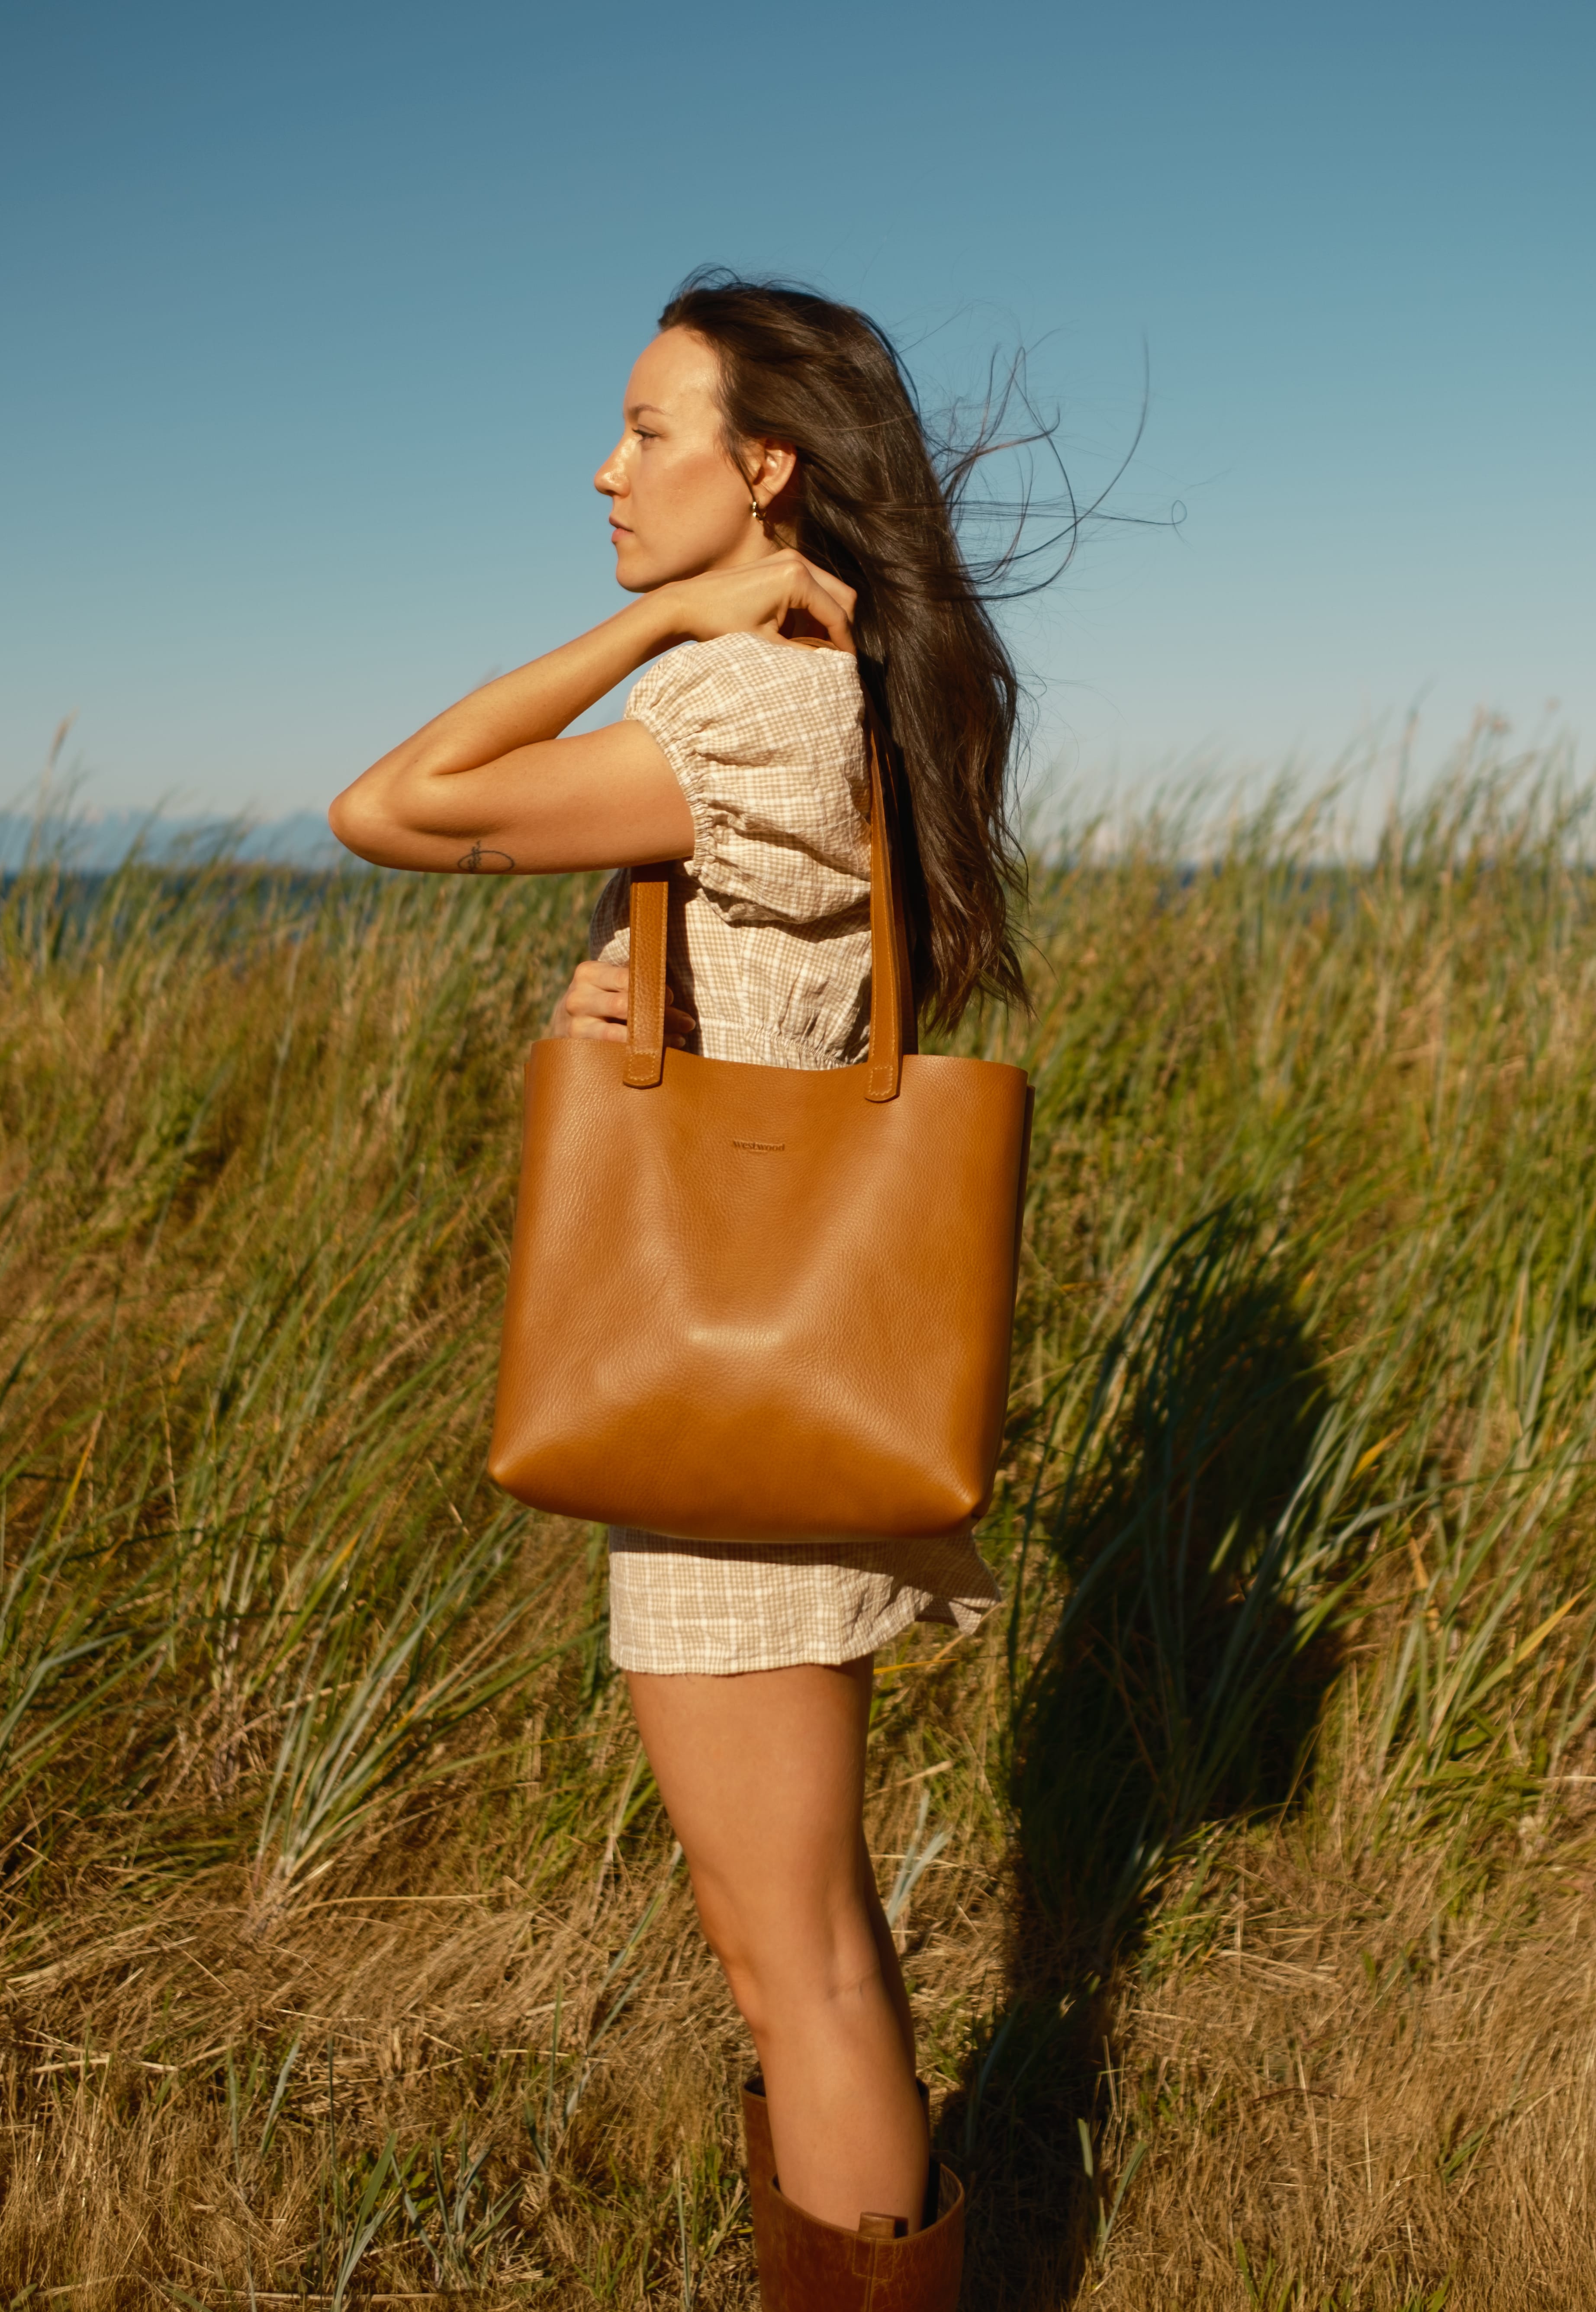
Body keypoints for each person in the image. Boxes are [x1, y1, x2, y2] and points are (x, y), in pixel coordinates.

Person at [329, 271, 1029, 2310]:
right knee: (811, 1939)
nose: (609, 466)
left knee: (791, 1963)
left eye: (651, 431)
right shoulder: (844, 693)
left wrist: (652, 631)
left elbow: (393, 807)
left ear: (769, 467)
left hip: (735, 1425)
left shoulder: (746, 696)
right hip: (789, 1377)